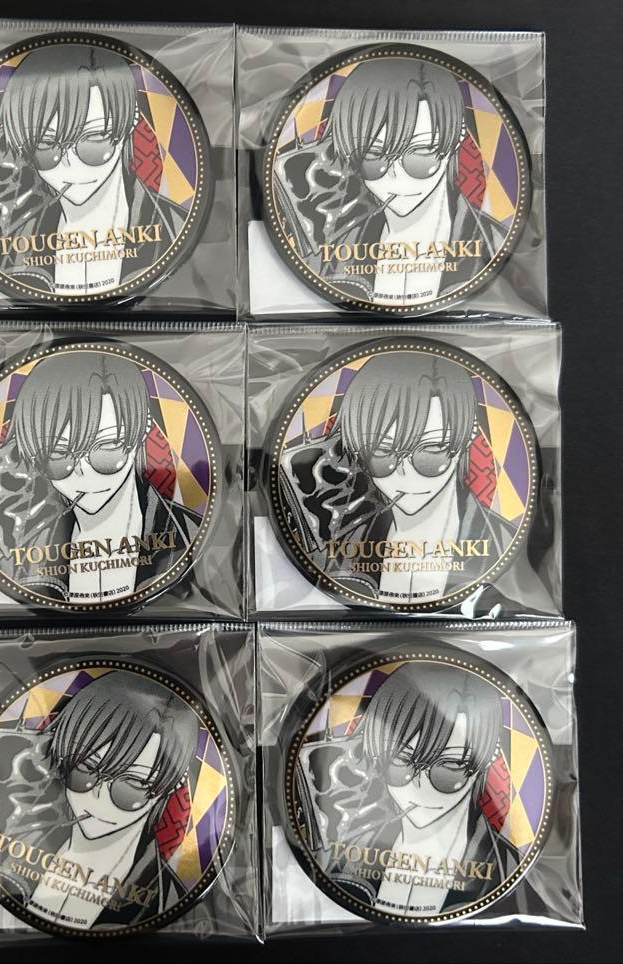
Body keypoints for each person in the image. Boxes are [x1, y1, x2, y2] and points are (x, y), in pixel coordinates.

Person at [0, 352, 202, 604]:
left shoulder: (190, 533)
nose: (84, 473)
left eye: (106, 448)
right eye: (58, 455)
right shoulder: (16, 557)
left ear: (142, 430)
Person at [0, 44, 187, 295]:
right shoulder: (1, 249)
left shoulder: (175, 227)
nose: (70, 166)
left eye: (94, 140)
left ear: (130, 121)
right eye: (45, 145)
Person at [278, 350, 517, 604]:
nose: (405, 475)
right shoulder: (331, 553)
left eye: (431, 451)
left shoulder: (502, 543)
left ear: (467, 437)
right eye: (382, 452)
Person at [273, 58, 509, 306]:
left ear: (458, 136)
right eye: (373, 156)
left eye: (420, 154)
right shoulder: (324, 258)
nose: (396, 178)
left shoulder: (494, 244)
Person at [297, 662, 519, 917]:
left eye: (449, 767)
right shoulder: (344, 853)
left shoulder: (505, 866)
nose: (419, 787)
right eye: (400, 761)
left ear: (486, 760)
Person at [0, 671, 198, 929]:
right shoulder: (10, 845)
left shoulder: (165, 901)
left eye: (131, 784)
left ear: (171, 785)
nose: (97, 797)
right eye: (86, 769)